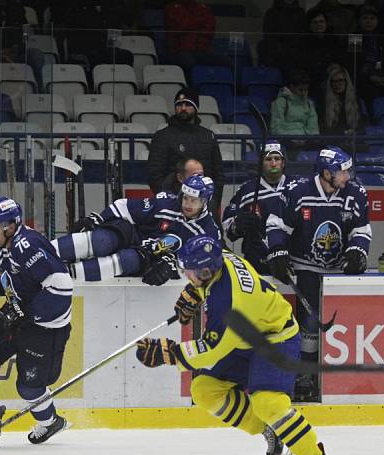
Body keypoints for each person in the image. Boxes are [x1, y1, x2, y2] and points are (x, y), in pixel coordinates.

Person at [135, 234, 340, 455]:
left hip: (274, 339)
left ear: (207, 271)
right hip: (245, 337)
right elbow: (211, 284)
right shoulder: (221, 259)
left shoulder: (229, 304)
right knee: (204, 390)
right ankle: (271, 430)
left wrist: (169, 354)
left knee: (268, 403)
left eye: (189, 273)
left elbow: (211, 350)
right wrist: (194, 292)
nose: (186, 275)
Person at [0, 196, 73, 447]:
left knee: (29, 388)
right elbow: (16, 278)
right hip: (17, 313)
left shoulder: (27, 245)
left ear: (10, 225)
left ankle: (50, 422)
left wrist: (30, 317)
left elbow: (62, 287)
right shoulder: (5, 246)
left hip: (45, 327)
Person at [264, 145, 371, 401]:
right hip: (307, 266)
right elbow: (277, 225)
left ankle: (338, 376)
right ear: (326, 173)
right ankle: (306, 374)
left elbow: (362, 229)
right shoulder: (297, 192)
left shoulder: (355, 193)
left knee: (341, 325)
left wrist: (358, 250)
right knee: (310, 325)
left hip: (339, 270)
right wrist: (277, 251)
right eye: (342, 172)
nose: (348, 176)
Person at [51, 174, 222, 284]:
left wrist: (173, 267)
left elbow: (205, 265)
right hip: (134, 233)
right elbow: (125, 205)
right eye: (186, 198)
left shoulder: (208, 233)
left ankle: (64, 275)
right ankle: (44, 252)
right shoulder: (166, 202)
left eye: (194, 200)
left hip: (150, 256)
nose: (187, 204)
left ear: (205, 202)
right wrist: (99, 218)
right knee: (100, 240)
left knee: (127, 259)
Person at [222, 141, 297, 275]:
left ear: (283, 162)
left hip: (290, 258)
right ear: (261, 163)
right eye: (268, 159)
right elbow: (228, 226)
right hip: (257, 259)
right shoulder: (247, 190)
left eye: (277, 159)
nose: (273, 163)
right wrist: (238, 224)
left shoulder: (297, 187)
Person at [148, 87, 224, 216]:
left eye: (188, 104)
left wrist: (213, 200)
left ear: (196, 107)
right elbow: (154, 175)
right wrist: (171, 201)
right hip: (174, 206)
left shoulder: (208, 136)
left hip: (205, 205)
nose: (183, 108)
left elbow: (218, 174)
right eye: (179, 104)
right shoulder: (162, 136)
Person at [269, 68, 319, 154]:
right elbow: (275, 128)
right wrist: (292, 139)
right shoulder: (280, 103)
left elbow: (313, 127)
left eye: (306, 90)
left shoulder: (309, 104)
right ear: (291, 87)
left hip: (305, 142)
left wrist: (307, 139)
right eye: (300, 90)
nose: (304, 93)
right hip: (286, 141)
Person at [319, 63, 368, 149]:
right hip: (332, 144)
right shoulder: (323, 102)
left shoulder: (356, 101)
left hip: (353, 143)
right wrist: (344, 133)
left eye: (340, 80)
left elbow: (361, 124)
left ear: (346, 81)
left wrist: (354, 132)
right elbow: (323, 129)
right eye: (334, 81)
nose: (337, 84)